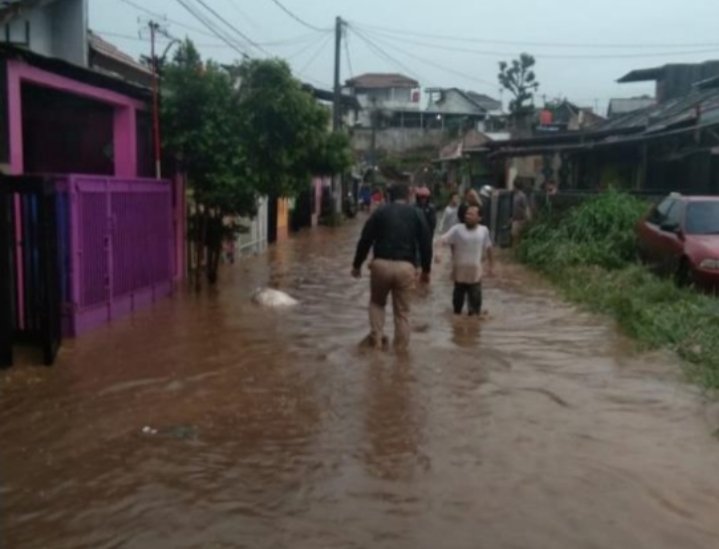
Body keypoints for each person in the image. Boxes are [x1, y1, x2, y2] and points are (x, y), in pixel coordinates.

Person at [352, 183, 432, 350]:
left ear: (389, 197)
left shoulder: (379, 212)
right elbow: (426, 243)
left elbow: (365, 239)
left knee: (377, 303)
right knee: (402, 313)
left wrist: (357, 265)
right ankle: (401, 353)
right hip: (406, 266)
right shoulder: (416, 213)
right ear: (408, 197)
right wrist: (426, 270)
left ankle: (376, 339)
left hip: (380, 265)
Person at [437, 204, 494, 316]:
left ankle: (473, 331)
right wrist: (438, 253)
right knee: (456, 311)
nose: (467, 216)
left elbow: (489, 248)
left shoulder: (484, 231)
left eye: (471, 214)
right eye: (467, 214)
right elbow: (441, 240)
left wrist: (491, 266)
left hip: (475, 277)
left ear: (479, 218)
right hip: (459, 277)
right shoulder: (457, 229)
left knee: (475, 314)